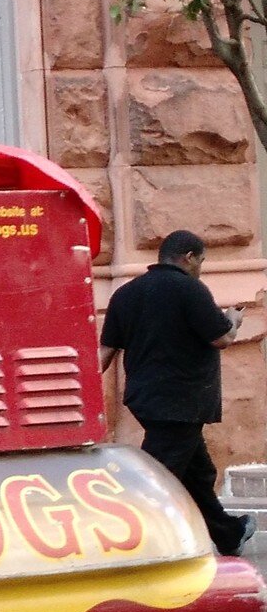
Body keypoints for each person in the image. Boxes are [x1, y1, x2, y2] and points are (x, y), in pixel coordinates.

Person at [99, 229, 253, 554]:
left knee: (199, 473)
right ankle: (133, 541)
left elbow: (104, 355)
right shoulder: (189, 289)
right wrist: (232, 320)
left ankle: (228, 533)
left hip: (146, 400)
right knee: (159, 476)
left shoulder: (125, 294)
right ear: (189, 257)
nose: (200, 268)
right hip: (183, 401)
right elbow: (221, 338)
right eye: (201, 262)